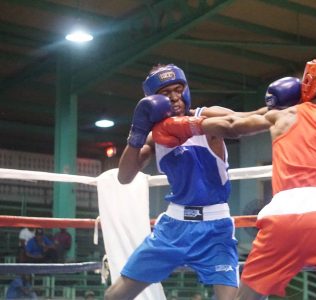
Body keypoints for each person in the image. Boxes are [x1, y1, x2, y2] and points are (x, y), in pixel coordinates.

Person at [151, 55, 316, 300]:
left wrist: (177, 125)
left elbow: (234, 124)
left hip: (280, 220)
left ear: (308, 84)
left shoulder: (281, 116)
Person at [104, 64, 267, 300]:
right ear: (152, 100)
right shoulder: (153, 137)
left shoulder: (207, 117)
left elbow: (245, 119)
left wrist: (280, 109)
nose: (174, 97)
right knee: (114, 296)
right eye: (165, 93)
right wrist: (136, 134)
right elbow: (124, 176)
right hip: (173, 227)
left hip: (215, 227)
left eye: (178, 89)